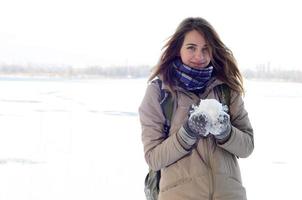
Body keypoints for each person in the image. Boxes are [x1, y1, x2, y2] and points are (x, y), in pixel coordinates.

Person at [139, 17, 254, 200]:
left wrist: (225, 132)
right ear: (178, 49)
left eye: (206, 49)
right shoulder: (159, 92)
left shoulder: (226, 90)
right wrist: (188, 132)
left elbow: (247, 147)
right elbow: (154, 158)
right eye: (191, 48)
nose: (199, 56)